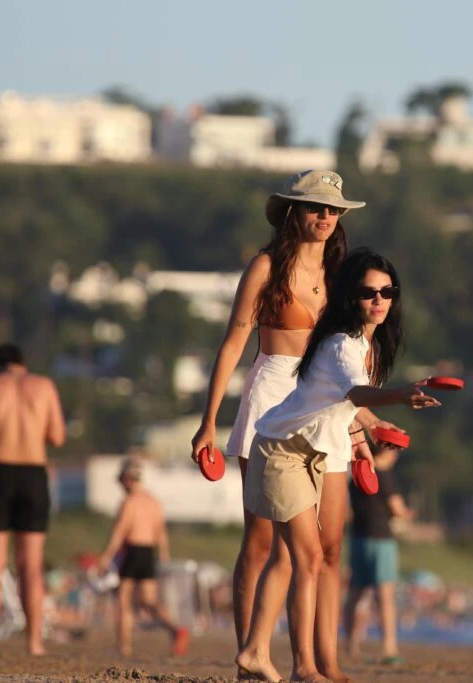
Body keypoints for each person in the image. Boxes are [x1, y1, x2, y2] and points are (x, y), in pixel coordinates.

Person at [189, 169, 370, 681]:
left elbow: (352, 361)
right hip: (271, 392)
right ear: (293, 212)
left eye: (334, 210)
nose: (326, 218)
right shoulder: (266, 267)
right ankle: (251, 656)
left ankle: (315, 663)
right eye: (316, 208)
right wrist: (209, 421)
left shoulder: (341, 277)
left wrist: (358, 430)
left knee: (325, 545)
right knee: (265, 541)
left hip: (324, 398)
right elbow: (233, 342)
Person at [235, 248, 441, 683]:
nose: (379, 300)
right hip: (281, 450)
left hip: (309, 453)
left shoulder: (368, 346)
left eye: (387, 291)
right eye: (369, 293)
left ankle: (254, 651)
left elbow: (345, 405)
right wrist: (403, 395)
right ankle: (305, 669)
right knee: (307, 558)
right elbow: (357, 394)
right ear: (351, 297)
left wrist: (367, 430)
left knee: (288, 559)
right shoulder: (342, 345)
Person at [0, 343, 65, 655]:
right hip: (33, 473)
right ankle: (34, 642)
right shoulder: (45, 386)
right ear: (22, 364)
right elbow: (57, 438)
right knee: (31, 566)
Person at [96, 457, 189, 657]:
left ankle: (123, 646)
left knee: (123, 600)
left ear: (128, 479)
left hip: (132, 550)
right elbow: (161, 532)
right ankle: (176, 629)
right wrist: (164, 554)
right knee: (149, 600)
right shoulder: (154, 502)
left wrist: (106, 556)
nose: (120, 485)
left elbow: (120, 532)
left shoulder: (129, 502)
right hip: (149, 553)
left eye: (121, 480)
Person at [342, 445, 413, 663]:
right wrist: (409, 514)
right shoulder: (386, 475)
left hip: (358, 538)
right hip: (382, 539)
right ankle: (389, 648)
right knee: (385, 596)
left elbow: (347, 510)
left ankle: (350, 645)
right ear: (388, 452)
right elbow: (397, 509)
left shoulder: (356, 475)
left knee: (355, 594)